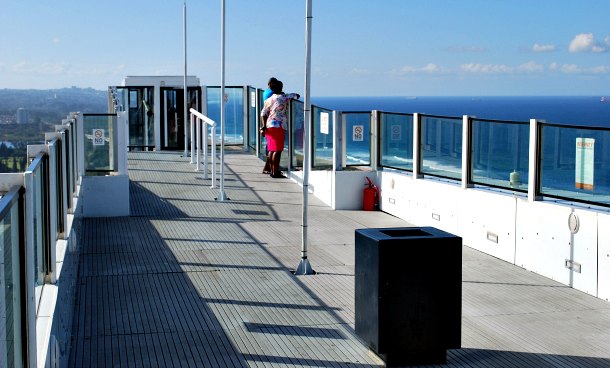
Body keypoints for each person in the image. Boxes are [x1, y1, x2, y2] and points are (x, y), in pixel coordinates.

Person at [260, 80, 300, 178]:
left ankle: (271, 170)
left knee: (272, 149)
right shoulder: (284, 97)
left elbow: (263, 114)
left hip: (269, 126)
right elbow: (297, 95)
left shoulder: (268, 100)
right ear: (280, 88)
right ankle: (275, 172)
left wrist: (264, 125)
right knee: (277, 151)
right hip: (279, 126)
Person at [261, 77, 278, 174]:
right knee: (272, 147)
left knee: (270, 146)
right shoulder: (271, 94)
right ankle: (269, 167)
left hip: (268, 121)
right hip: (272, 122)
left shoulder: (266, 92)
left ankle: (268, 167)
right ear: (271, 84)